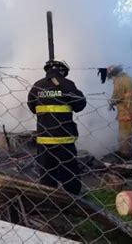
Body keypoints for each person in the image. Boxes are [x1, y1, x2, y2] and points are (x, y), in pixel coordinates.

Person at [27, 59, 87, 195]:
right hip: (64, 139)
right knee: (69, 171)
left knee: (47, 173)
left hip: (44, 139)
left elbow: (32, 107)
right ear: (62, 70)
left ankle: (49, 199)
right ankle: (73, 198)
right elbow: (80, 104)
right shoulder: (67, 85)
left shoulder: (37, 86)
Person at [107, 65, 132, 160]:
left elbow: (117, 95)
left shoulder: (119, 80)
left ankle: (125, 154)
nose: (112, 79)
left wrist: (111, 103)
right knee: (128, 133)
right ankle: (126, 151)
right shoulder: (129, 78)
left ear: (113, 74)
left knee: (124, 134)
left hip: (126, 111)